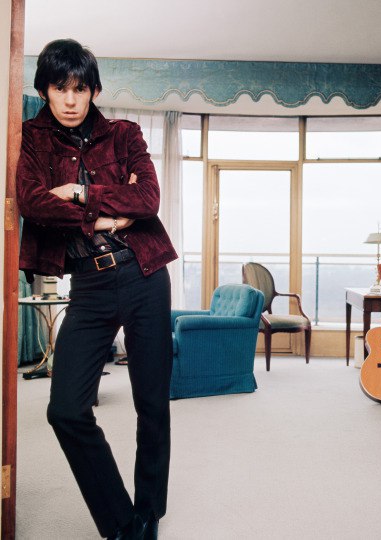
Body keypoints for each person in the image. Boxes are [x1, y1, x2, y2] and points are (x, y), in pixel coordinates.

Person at [16, 39, 177, 540]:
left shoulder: (124, 134)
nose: (70, 100)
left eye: (80, 89)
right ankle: (120, 520)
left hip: (144, 272)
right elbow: (32, 203)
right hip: (89, 281)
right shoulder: (31, 139)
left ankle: (147, 514)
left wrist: (79, 192)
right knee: (65, 409)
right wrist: (105, 214)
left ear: (94, 91)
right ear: (44, 90)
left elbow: (147, 199)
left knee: (152, 404)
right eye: (59, 89)